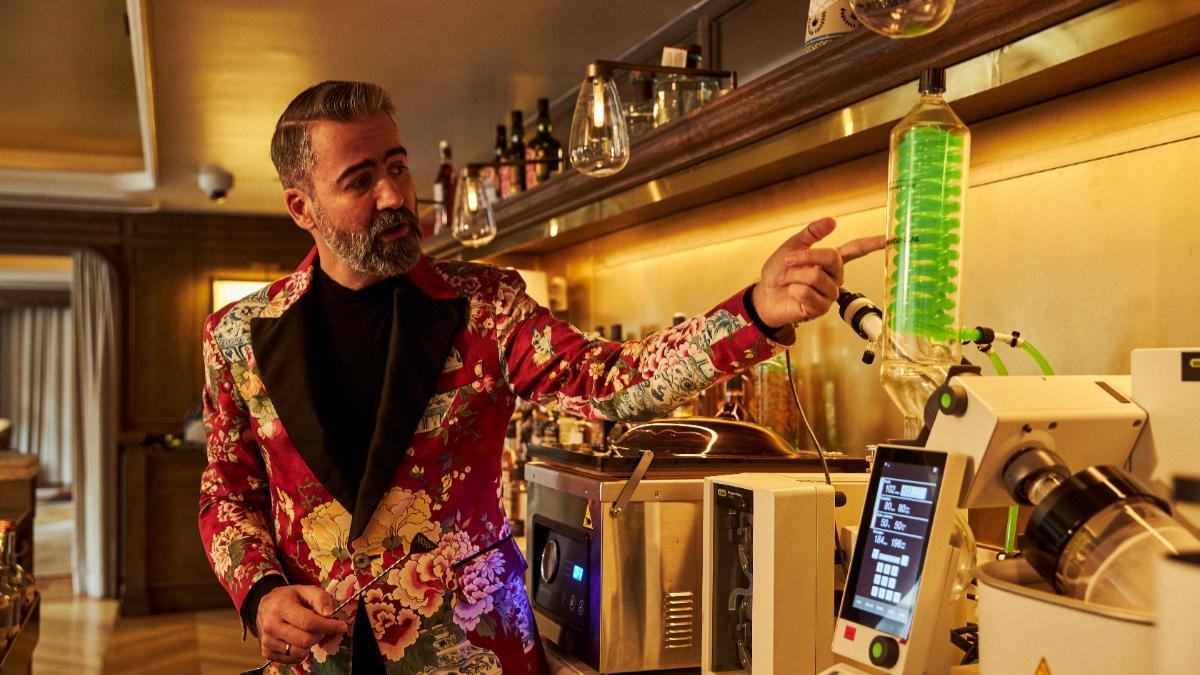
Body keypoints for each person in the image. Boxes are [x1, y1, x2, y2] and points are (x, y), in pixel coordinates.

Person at [198, 80, 884, 674]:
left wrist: (756, 312)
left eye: (398, 167)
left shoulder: (486, 305)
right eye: (359, 180)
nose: (394, 195)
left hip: (477, 649)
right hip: (320, 656)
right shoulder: (235, 337)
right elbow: (228, 490)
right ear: (302, 207)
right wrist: (260, 593)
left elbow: (610, 382)